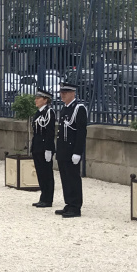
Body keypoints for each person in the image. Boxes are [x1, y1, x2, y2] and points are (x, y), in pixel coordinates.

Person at [56, 81, 88, 218]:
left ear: (73, 93)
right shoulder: (65, 108)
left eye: (65, 93)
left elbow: (81, 132)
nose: (62, 95)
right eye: (61, 93)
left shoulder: (78, 108)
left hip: (71, 150)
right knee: (65, 178)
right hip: (63, 150)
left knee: (73, 178)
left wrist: (77, 152)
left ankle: (75, 207)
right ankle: (69, 203)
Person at [31, 88, 55, 208]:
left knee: (47, 174)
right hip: (37, 147)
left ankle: (48, 199)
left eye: (38, 98)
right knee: (40, 173)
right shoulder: (38, 113)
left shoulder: (49, 112)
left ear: (45, 100)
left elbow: (50, 132)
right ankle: (43, 196)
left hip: (44, 147)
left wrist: (48, 149)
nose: (36, 100)